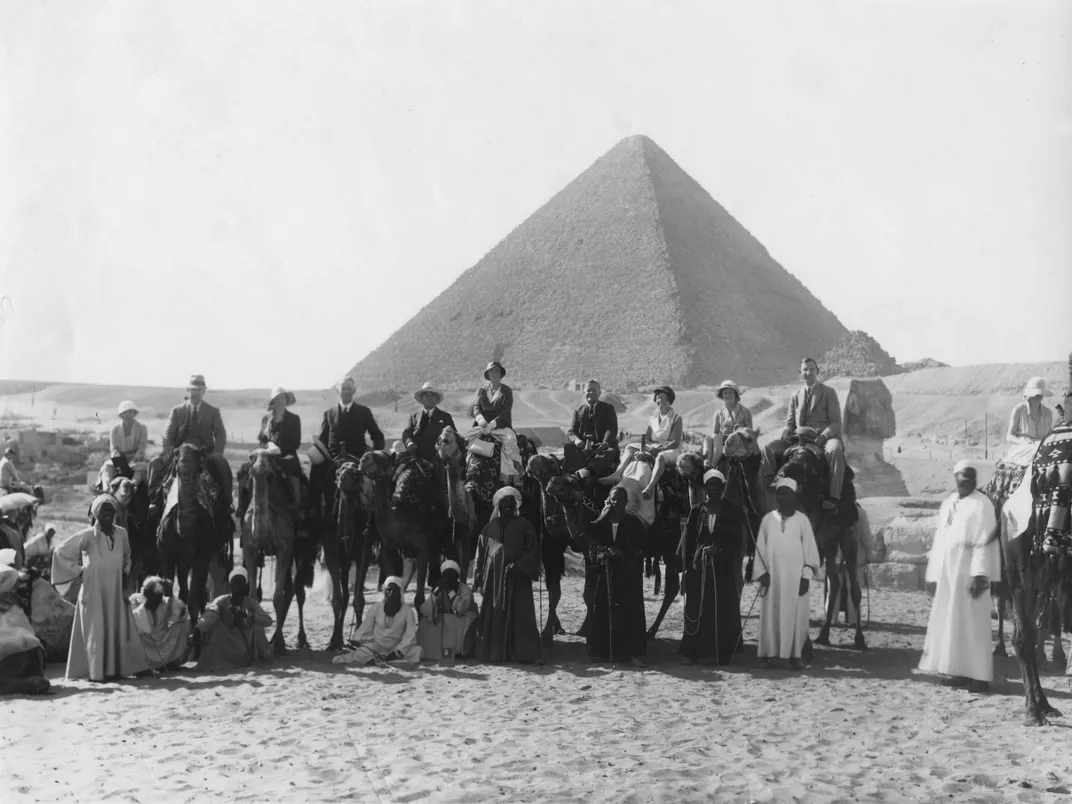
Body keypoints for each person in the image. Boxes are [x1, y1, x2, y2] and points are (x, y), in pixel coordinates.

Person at [917, 460, 999, 694]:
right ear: (955, 479)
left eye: (971, 480)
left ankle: (981, 678)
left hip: (971, 575)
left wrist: (980, 574)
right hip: (949, 574)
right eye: (962, 480)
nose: (966, 484)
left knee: (974, 625)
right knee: (953, 623)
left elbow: (986, 540)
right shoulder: (949, 503)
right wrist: (933, 575)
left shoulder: (982, 504)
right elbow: (940, 541)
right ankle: (960, 672)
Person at [51, 494, 150, 681]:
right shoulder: (87, 535)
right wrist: (80, 571)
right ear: (95, 513)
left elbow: (127, 557)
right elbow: (60, 552)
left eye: (111, 510)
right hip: (93, 589)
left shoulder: (121, 533)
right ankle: (97, 673)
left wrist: (125, 573)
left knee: (117, 624)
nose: (108, 514)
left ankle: (117, 670)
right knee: (95, 628)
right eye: (104, 510)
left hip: (115, 588)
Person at [753, 478, 819, 670]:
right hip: (772, 578)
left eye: (785, 493)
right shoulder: (767, 520)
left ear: (793, 496)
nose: (781, 497)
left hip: (795, 579)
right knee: (770, 615)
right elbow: (760, 548)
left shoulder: (802, 520)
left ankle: (795, 656)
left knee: (796, 616)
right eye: (778, 493)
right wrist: (761, 572)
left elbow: (811, 552)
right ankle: (766, 655)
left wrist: (806, 576)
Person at [679, 469, 744, 665]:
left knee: (722, 607)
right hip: (700, 567)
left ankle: (723, 654)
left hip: (722, 568)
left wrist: (720, 549)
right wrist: (687, 568)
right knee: (697, 606)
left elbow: (737, 540)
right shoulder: (697, 510)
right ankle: (693, 652)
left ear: (723, 487)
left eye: (718, 485)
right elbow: (689, 541)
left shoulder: (732, 510)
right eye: (711, 485)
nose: (714, 488)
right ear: (705, 487)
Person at [762, 358, 845, 511]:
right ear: (800, 373)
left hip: (822, 437)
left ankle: (833, 498)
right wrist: (786, 432)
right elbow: (790, 422)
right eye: (805, 370)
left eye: (812, 369)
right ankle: (768, 486)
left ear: (817, 371)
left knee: (835, 450)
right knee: (769, 448)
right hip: (799, 438)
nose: (808, 373)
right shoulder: (795, 395)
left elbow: (836, 422)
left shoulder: (828, 392)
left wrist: (824, 436)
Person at [474, 487, 543, 663]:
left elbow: (533, 550)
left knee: (521, 615)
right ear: (498, 505)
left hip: (518, 579)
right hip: (493, 580)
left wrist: (519, 565)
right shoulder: (489, 528)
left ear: (515, 506)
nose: (507, 506)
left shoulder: (525, 526)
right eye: (504, 503)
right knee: (494, 612)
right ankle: (495, 653)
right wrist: (478, 576)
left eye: (511, 503)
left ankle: (524, 654)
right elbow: (480, 553)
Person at [586, 485, 648, 666]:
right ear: (608, 500)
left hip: (627, 576)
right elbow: (592, 546)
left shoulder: (634, 522)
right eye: (613, 499)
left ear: (626, 502)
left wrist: (621, 553)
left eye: (620, 500)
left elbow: (640, 549)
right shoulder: (600, 523)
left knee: (629, 613)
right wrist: (602, 553)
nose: (616, 503)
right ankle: (601, 652)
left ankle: (632, 654)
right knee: (602, 609)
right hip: (605, 575)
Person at [154, 374, 232, 508]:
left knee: (223, 466)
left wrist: (217, 452)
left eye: (198, 390)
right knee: (154, 464)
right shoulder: (177, 411)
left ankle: (227, 502)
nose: (195, 393)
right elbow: (168, 434)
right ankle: (154, 501)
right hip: (180, 452)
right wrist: (168, 450)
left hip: (205, 452)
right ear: (188, 391)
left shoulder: (212, 411)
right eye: (192, 390)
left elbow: (220, 434)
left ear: (203, 392)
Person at [192, 566, 274, 671]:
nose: (238, 586)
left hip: (244, 646)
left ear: (245, 586)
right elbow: (211, 614)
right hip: (226, 643)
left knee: (257, 627)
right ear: (230, 585)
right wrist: (199, 629)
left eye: (241, 582)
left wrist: (246, 615)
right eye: (235, 582)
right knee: (215, 626)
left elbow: (268, 621)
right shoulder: (221, 600)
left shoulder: (250, 602)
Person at [333, 576, 422, 666]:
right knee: (363, 652)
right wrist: (356, 641)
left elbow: (410, 635)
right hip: (377, 647)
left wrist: (398, 651)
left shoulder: (407, 611)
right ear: (384, 592)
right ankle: (378, 659)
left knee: (417, 651)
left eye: (394, 590)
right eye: (388, 590)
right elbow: (365, 627)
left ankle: (381, 659)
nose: (391, 593)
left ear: (400, 593)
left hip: (396, 647)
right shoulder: (375, 608)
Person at [611, 386, 682, 499]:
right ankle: (617, 473)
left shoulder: (676, 418)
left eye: (663, 398)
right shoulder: (653, 416)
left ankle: (650, 487)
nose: (660, 401)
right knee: (629, 447)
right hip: (653, 445)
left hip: (670, 450)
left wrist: (658, 448)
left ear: (669, 400)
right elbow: (648, 436)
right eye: (658, 398)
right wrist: (648, 445)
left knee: (660, 457)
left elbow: (674, 442)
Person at [470, 361, 523, 483]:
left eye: (496, 371)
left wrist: (493, 424)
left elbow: (506, 412)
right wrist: (480, 419)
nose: (494, 373)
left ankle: (514, 476)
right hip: (482, 426)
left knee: (510, 443)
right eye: (491, 371)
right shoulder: (481, 390)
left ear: (501, 374)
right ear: (488, 374)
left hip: (501, 426)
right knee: (463, 444)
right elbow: (476, 407)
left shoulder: (507, 391)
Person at [256, 387, 304, 518]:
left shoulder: (294, 419)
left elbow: (296, 442)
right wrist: (268, 446)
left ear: (287, 400)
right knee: (248, 468)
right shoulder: (266, 419)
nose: (280, 400)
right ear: (273, 401)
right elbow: (262, 439)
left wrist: (280, 449)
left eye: (282, 397)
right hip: (268, 453)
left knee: (293, 467)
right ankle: (244, 504)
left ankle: (297, 502)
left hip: (286, 453)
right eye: (277, 398)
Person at [418, 559, 478, 660]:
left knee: (449, 621)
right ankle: (434, 654)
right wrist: (435, 593)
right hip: (446, 625)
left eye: (451, 575)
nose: (448, 579)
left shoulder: (465, 589)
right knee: (426, 620)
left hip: (461, 623)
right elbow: (424, 610)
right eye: (446, 576)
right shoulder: (440, 589)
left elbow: (461, 609)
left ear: (457, 577)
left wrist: (450, 592)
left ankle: (451, 655)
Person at [316, 376, 385, 461]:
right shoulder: (329, 413)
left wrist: (373, 454)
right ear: (337, 391)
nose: (346, 391)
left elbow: (378, 436)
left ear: (354, 390)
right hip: (333, 463)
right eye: (343, 388)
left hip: (358, 462)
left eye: (349, 388)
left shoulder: (364, 412)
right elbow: (322, 440)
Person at [130, 576, 191, 671]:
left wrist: (171, 596)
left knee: (182, 626)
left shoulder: (166, 603)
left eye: (159, 596)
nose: (157, 600)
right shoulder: (136, 603)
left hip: (163, 640)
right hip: (146, 643)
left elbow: (181, 614)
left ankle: (170, 662)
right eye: (153, 596)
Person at [564, 379, 620, 476]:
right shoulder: (578, 411)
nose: (591, 392)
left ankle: (586, 472)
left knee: (609, 452)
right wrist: (577, 441)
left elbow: (611, 429)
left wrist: (605, 443)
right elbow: (571, 431)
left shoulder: (608, 409)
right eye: (589, 390)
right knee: (568, 447)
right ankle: (575, 472)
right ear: (584, 393)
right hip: (583, 448)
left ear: (599, 393)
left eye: (594, 390)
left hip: (601, 448)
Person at [1004, 377, 1055, 467]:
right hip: (1022, 448)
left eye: (1040, 395)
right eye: (1036, 395)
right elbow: (1009, 436)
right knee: (1036, 452)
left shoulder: (1048, 413)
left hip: (1042, 447)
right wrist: (1023, 443)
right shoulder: (1019, 410)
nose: (1038, 398)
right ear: (1029, 396)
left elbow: (1049, 437)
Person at [403, 382, 456, 463]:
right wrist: (409, 442)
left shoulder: (445, 417)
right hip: (416, 459)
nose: (429, 397)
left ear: (437, 399)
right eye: (426, 395)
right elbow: (407, 432)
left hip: (438, 461)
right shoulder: (414, 417)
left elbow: (453, 435)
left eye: (432, 395)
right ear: (421, 398)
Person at [110, 400, 149, 468]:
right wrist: (120, 462)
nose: (128, 415)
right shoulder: (114, 430)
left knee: (140, 469)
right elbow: (114, 449)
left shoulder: (142, 428)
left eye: (130, 412)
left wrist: (133, 461)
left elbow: (142, 448)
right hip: (120, 459)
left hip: (137, 460)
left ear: (134, 413)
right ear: (121, 415)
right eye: (125, 412)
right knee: (107, 467)